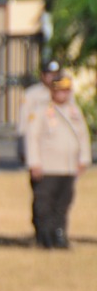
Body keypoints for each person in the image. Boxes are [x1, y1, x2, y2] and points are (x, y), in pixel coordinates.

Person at [25, 72, 89, 250]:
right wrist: (34, 162)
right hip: (47, 167)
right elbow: (32, 138)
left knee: (63, 203)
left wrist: (84, 159)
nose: (63, 94)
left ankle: (59, 234)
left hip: (67, 167)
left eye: (66, 91)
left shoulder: (74, 111)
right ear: (52, 91)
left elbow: (83, 136)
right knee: (44, 203)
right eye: (59, 90)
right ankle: (45, 236)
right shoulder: (41, 111)